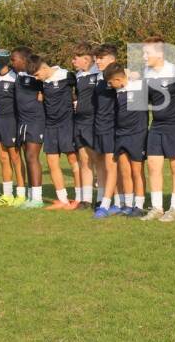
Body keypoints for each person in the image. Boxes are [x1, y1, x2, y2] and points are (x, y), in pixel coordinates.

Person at [29, 55, 80, 210]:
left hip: (67, 124)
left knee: (73, 160)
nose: (36, 78)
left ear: (44, 68)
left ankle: (80, 198)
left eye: (37, 74)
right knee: (52, 162)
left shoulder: (67, 76)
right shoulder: (42, 82)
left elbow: (80, 91)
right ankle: (63, 199)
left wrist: (76, 103)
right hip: (50, 126)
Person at [141, 36, 175, 221]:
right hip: (156, 125)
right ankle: (157, 208)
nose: (143, 56)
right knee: (153, 165)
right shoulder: (145, 73)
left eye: (147, 53)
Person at [107, 63, 148, 217]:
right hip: (121, 134)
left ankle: (139, 205)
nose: (109, 85)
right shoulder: (118, 90)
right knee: (125, 171)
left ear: (118, 79)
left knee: (137, 171)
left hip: (137, 134)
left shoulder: (138, 85)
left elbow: (147, 73)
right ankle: (128, 205)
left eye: (111, 82)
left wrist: (132, 73)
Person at [0, 49, 25, 206]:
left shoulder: (16, 77)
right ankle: (7, 195)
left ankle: (21, 194)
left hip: (12, 121)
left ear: (0, 63)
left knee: (15, 158)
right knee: (3, 158)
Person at [11, 47, 46, 209]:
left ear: (24, 60)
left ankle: (37, 199)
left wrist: (43, 94)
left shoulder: (36, 76)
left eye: (14, 60)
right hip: (22, 121)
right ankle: (31, 196)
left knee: (32, 157)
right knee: (27, 157)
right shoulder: (18, 74)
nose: (12, 63)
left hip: (35, 121)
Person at [92, 44, 123, 214]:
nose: (97, 61)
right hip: (99, 127)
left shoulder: (121, 78)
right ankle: (113, 201)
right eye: (96, 58)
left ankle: (107, 204)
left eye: (101, 58)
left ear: (112, 59)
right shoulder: (100, 79)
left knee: (112, 167)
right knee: (102, 165)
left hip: (112, 128)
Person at [71, 43, 100, 207]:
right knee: (84, 160)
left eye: (76, 58)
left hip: (94, 122)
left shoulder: (99, 74)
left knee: (97, 160)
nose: (73, 61)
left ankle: (101, 198)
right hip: (79, 122)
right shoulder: (78, 75)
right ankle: (87, 199)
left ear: (86, 59)